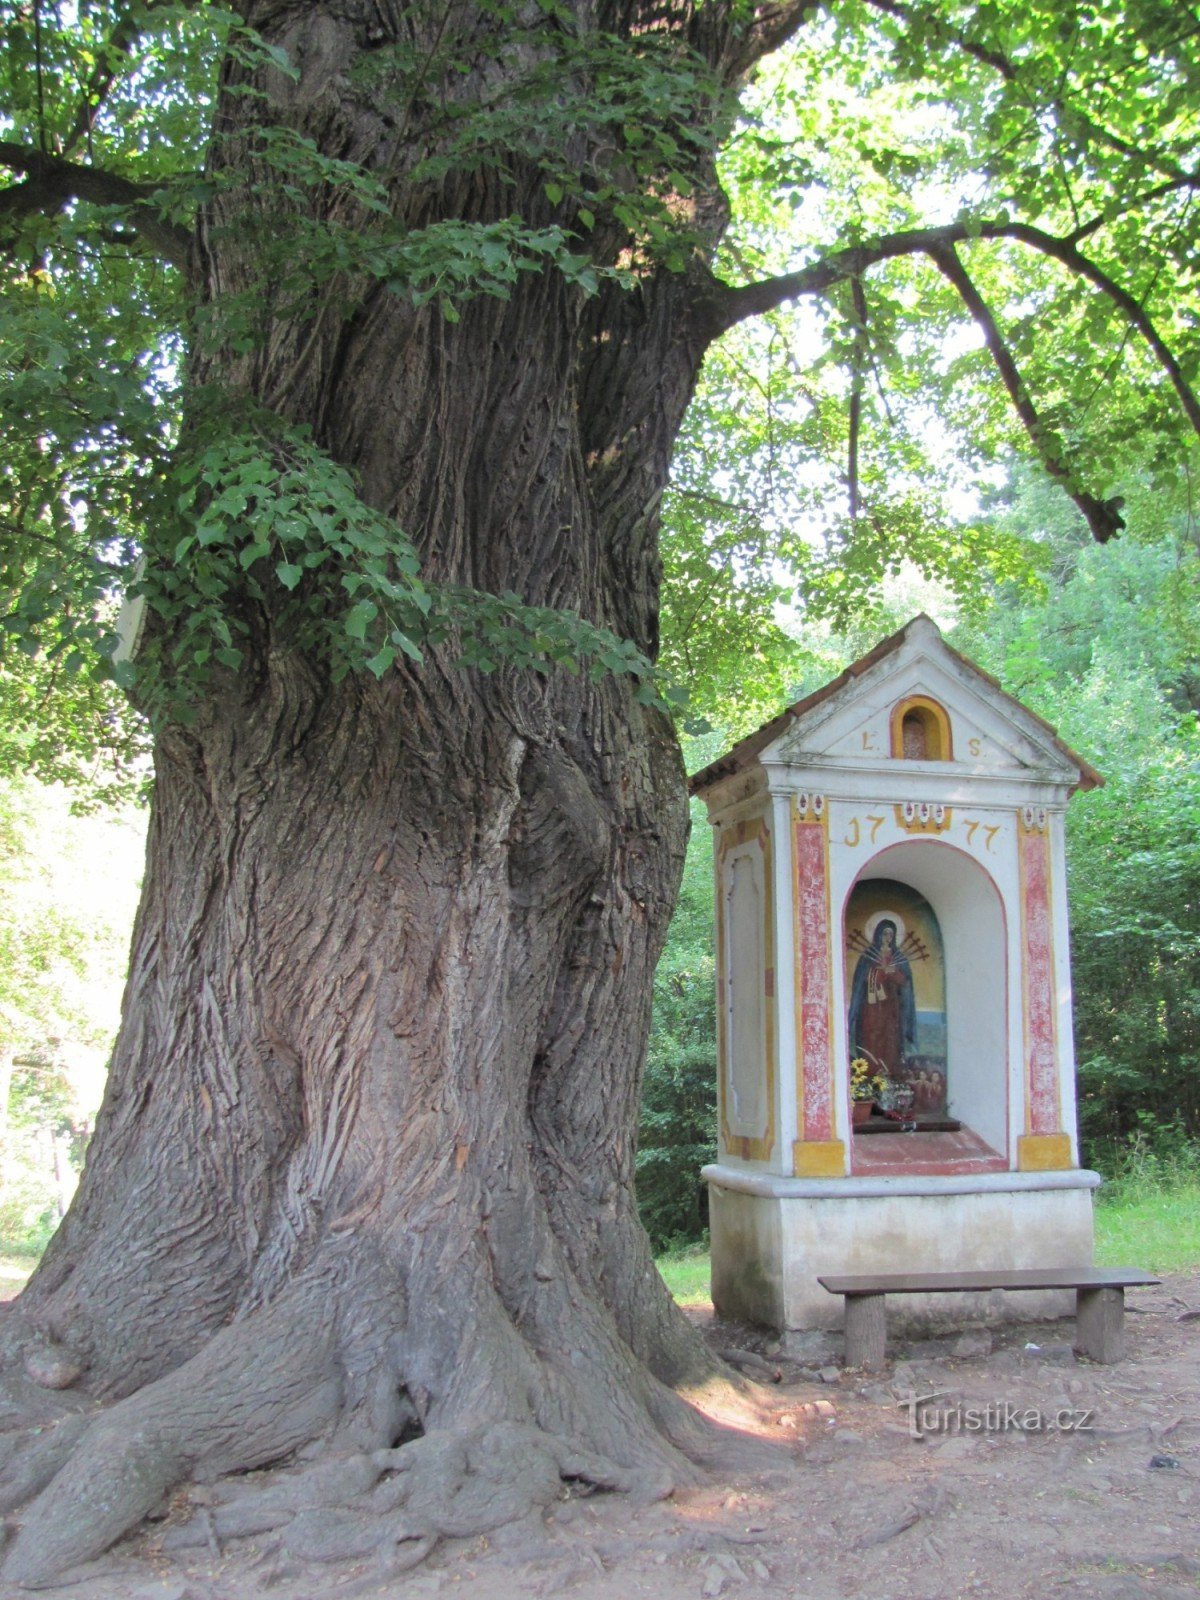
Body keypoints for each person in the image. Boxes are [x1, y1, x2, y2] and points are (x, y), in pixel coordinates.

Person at [847, 918, 916, 1079]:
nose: (887, 937)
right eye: (885, 933)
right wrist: (879, 972)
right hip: (871, 1006)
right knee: (871, 1035)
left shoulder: (898, 956)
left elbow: (905, 982)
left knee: (890, 1037)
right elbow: (861, 980)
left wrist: (893, 972)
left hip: (891, 1006)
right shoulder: (867, 956)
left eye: (891, 934)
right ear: (878, 934)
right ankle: (870, 1073)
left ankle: (890, 1072)